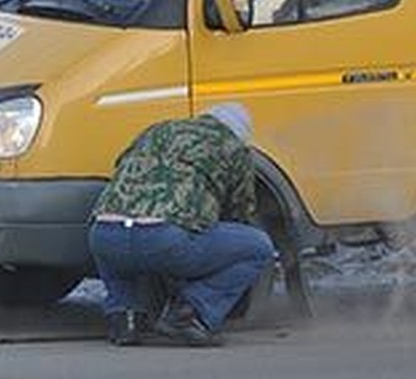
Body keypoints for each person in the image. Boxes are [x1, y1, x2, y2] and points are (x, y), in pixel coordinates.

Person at [88, 103, 275, 347]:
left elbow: (122, 164)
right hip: (164, 239)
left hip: (103, 235)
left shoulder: (158, 130)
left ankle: (125, 318)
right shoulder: (233, 147)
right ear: (239, 132)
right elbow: (240, 213)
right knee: (257, 246)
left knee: (118, 245)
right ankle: (190, 314)